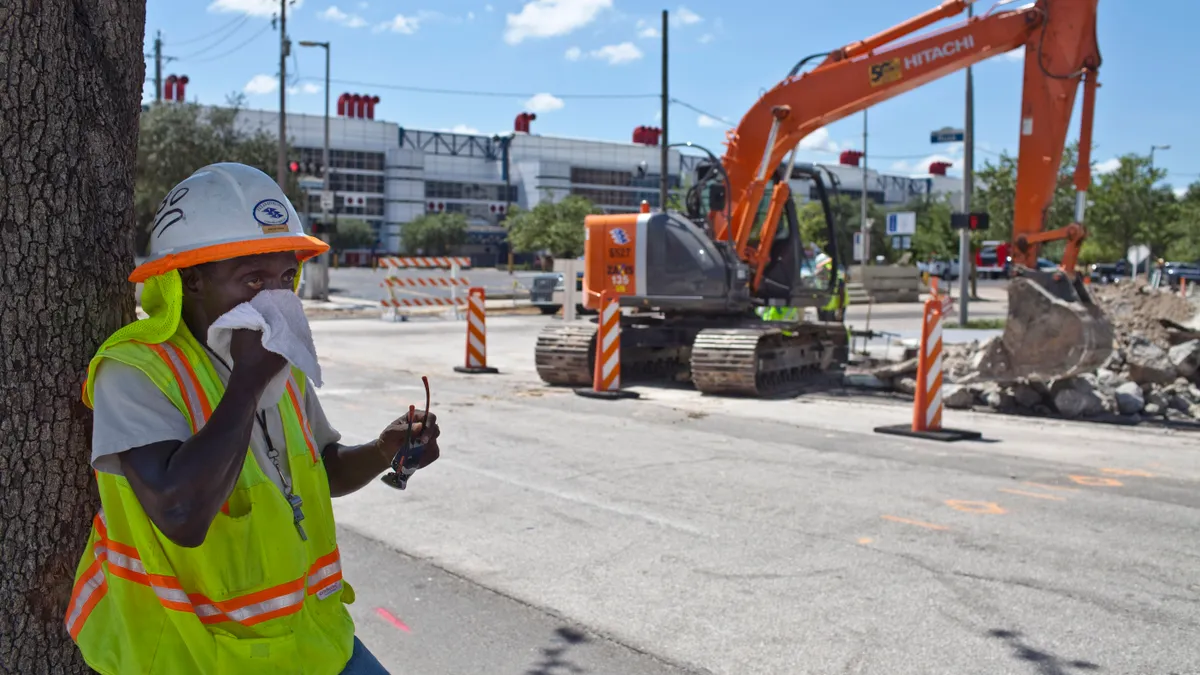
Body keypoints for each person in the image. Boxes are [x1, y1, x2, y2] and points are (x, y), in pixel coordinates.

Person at [64, 163, 439, 675]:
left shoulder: (279, 363)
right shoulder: (134, 371)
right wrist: (247, 382)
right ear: (191, 280)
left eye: (286, 277)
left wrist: (381, 450)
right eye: (253, 279)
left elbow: (319, 473)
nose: (274, 300)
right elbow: (181, 516)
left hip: (310, 640)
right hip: (192, 653)